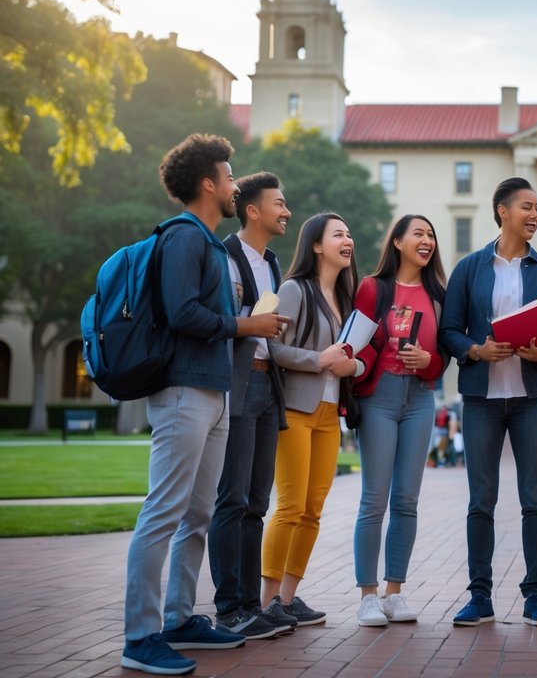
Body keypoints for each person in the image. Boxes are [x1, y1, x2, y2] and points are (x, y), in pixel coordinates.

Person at [122, 135, 287, 676]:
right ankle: (141, 636)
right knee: (164, 511)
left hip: (216, 393)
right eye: (229, 174)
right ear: (208, 184)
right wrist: (248, 324)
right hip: (182, 391)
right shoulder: (183, 239)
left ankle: (179, 617)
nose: (237, 183)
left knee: (198, 513)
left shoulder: (212, 246)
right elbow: (180, 313)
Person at [438, 177, 537, 627]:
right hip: (481, 398)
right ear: (503, 212)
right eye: (527, 207)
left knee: (534, 499)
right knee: (482, 501)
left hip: (531, 398)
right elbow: (449, 330)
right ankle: (480, 597)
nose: (535, 215)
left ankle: (535, 595)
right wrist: (476, 350)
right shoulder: (469, 268)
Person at [209, 172, 296, 641]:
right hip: (237, 389)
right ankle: (229, 608)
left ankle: (248, 606)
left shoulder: (273, 263)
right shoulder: (224, 257)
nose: (286, 212)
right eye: (279, 204)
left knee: (258, 503)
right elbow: (216, 320)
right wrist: (251, 323)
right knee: (233, 499)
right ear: (252, 210)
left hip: (268, 389)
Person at [350, 214, 448, 626]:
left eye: (430, 235)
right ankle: (368, 596)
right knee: (375, 498)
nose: (426, 241)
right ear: (398, 242)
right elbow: (355, 341)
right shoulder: (373, 288)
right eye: (418, 234)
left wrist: (430, 362)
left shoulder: (440, 295)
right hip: (380, 397)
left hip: (421, 398)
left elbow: (445, 358)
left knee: (406, 499)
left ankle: (394, 592)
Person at [263, 213, 359, 624]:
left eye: (349, 233)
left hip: (329, 414)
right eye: (339, 234)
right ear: (316, 245)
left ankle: (287, 600)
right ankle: (265, 603)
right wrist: (318, 360)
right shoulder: (294, 289)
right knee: (290, 505)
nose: (348, 239)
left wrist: (349, 366)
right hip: (294, 411)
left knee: (313, 508)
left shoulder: (345, 297)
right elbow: (269, 348)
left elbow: (349, 355)